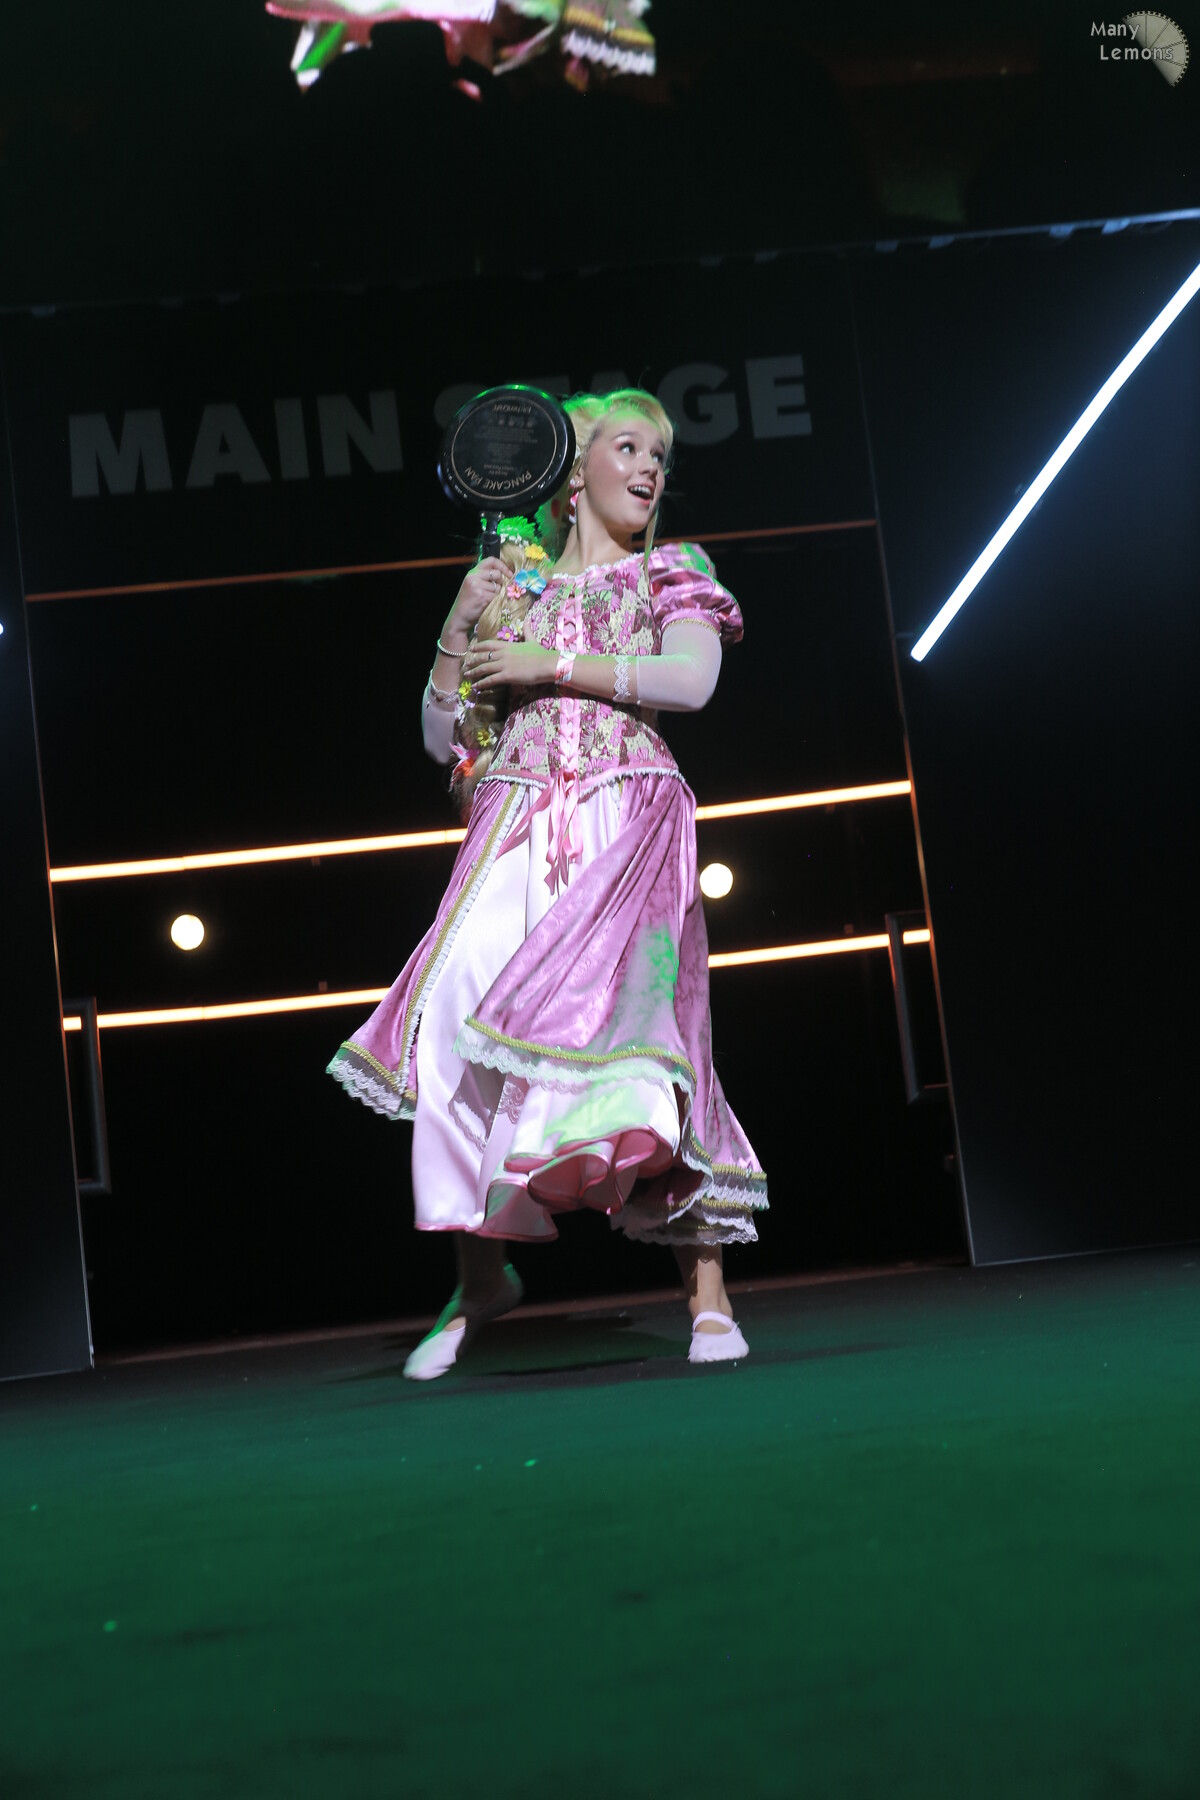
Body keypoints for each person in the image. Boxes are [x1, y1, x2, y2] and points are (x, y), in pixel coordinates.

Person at [327, 387, 768, 1378]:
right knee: (457, 1020)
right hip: (515, 822)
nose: (651, 467)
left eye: (659, 453)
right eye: (629, 446)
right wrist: (461, 624)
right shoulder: (512, 589)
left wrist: (549, 660)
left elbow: (691, 682)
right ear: (573, 475)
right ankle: (481, 1279)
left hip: (627, 817)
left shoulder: (671, 570)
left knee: (647, 1044)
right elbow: (445, 738)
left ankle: (706, 1294)